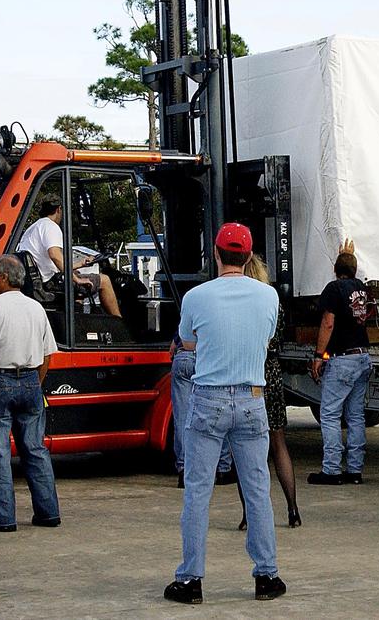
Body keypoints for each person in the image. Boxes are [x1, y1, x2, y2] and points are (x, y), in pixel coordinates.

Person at [165, 224, 285, 605]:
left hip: (210, 397)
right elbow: (264, 339)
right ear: (248, 257)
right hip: (252, 398)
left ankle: (190, 579)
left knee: (198, 491)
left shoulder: (196, 297)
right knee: (257, 489)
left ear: (216, 254)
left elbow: (188, 342)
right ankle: (266, 575)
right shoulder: (268, 297)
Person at [0, 254, 60, 532]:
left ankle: (4, 517)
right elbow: (47, 354)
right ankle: (48, 512)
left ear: (4, 277)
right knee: (35, 449)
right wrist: (35, 382)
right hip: (30, 379)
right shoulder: (36, 308)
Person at [237, 253, 299, 530]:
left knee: (245, 448)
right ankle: (293, 508)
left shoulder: (237, 303)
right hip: (271, 372)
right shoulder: (273, 303)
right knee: (279, 443)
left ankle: (249, 514)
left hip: (247, 371)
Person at [307, 238, 372, 486]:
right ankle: (355, 470)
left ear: (336, 270)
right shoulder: (362, 289)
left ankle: (332, 469)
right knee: (355, 416)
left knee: (330, 414)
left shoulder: (334, 289)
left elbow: (328, 323)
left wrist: (318, 355)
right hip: (362, 357)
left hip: (342, 359)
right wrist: (346, 256)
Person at [17, 196, 121, 317]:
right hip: (49, 284)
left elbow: (48, 262)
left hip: (39, 281)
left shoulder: (33, 227)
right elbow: (55, 255)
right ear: (59, 209)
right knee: (104, 280)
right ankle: (120, 325)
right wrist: (77, 280)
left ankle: (78, 320)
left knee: (76, 275)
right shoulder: (51, 227)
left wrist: (81, 263)